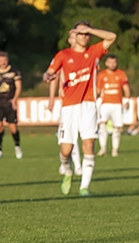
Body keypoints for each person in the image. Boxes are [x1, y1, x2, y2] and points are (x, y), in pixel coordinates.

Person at [43, 21, 116, 197]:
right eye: (80, 33)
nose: (84, 37)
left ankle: (84, 187)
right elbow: (49, 72)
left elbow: (112, 36)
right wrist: (47, 75)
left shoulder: (94, 52)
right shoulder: (63, 54)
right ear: (74, 35)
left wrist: (90, 29)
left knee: (88, 144)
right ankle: (67, 169)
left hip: (89, 105)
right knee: (66, 150)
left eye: (86, 34)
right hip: (69, 107)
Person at [48, 31, 82, 176]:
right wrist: (51, 98)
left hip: (85, 102)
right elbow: (53, 77)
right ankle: (72, 163)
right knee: (69, 136)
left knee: (83, 135)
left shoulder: (87, 56)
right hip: (67, 102)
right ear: (69, 40)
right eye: (74, 37)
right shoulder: (64, 56)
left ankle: (78, 165)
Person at [0, 51, 23, 160]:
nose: (3, 62)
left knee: (13, 127)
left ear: (7, 60)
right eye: (1, 60)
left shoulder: (14, 72)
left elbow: (18, 86)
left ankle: (17, 146)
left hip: (10, 103)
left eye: (5, 60)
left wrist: (15, 99)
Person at [95, 55, 131, 157]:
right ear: (106, 63)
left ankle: (115, 149)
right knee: (102, 125)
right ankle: (103, 148)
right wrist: (93, 100)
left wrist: (127, 100)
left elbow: (126, 88)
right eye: (110, 62)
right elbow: (98, 90)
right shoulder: (101, 75)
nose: (112, 64)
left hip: (117, 104)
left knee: (117, 128)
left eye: (114, 62)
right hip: (105, 103)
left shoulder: (121, 74)